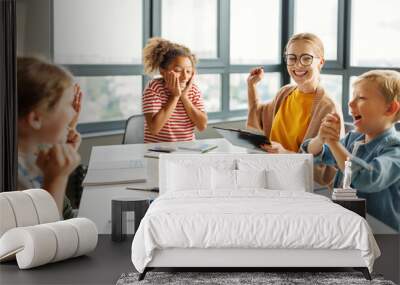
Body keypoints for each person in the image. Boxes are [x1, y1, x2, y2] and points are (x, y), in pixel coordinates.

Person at [302, 70, 400, 231]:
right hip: (349, 224)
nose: (350, 103)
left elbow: (367, 179)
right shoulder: (351, 139)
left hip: (382, 233)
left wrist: (333, 143)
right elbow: (315, 155)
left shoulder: (395, 149)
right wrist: (322, 138)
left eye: (361, 98)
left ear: (390, 108)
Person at [246, 32, 344, 185]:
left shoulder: (328, 106)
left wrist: (285, 154)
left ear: (321, 62)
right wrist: (252, 86)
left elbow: (327, 168)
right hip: (271, 173)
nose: (297, 65)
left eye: (306, 58)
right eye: (292, 58)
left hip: (300, 184)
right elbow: (259, 118)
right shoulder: (285, 92)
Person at [17, 56, 82, 219]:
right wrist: (57, 178)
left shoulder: (29, 162)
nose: (74, 113)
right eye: (68, 104)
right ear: (35, 119)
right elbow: (48, 238)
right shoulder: (15, 182)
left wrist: (59, 164)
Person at [142, 37, 207, 143]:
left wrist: (184, 97)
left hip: (186, 151)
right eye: (178, 70)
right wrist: (175, 96)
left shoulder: (193, 90)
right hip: (157, 151)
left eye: (188, 71)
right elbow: (154, 129)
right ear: (163, 71)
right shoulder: (154, 88)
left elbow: (202, 126)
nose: (184, 77)